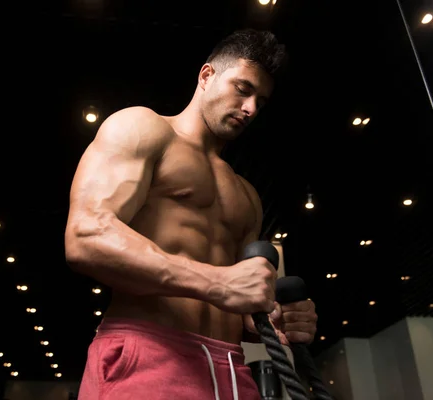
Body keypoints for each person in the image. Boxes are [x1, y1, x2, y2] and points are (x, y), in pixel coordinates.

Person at [65, 29, 318, 400]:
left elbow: (242, 300)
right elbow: (86, 237)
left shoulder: (246, 195)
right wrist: (218, 282)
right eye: (242, 89)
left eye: (260, 102)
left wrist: (276, 318)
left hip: (232, 370)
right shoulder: (142, 128)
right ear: (206, 76)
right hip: (149, 353)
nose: (250, 109)